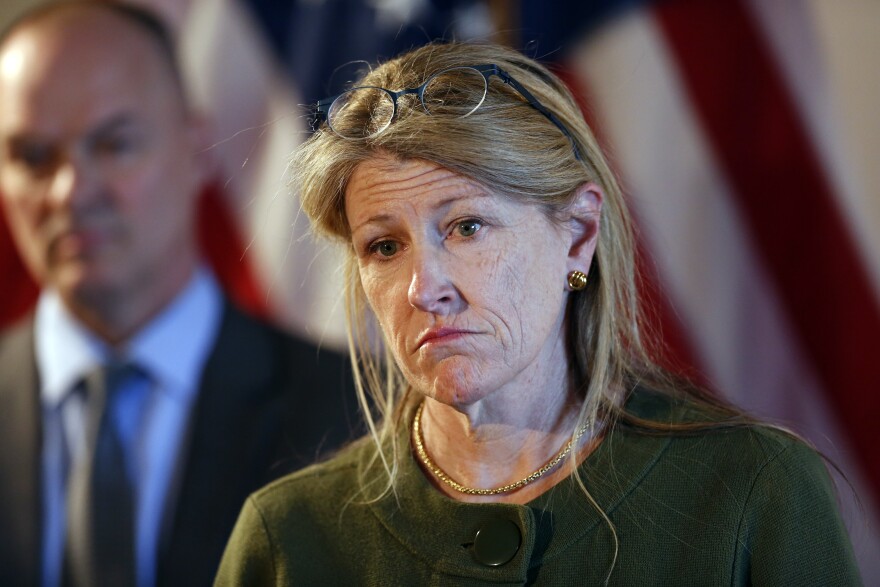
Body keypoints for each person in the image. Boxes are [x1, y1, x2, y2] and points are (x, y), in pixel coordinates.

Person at [215, 42, 862, 585]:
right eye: (384, 245)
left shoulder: (755, 493)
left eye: (467, 226)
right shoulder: (287, 536)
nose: (422, 287)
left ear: (578, 234)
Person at [0, 3, 354, 586]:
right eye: (32, 157)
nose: (69, 192)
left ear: (196, 146)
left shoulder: (352, 415)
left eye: (114, 144)